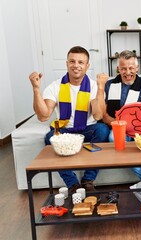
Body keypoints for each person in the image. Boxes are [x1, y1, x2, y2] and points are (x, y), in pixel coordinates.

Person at [29, 46, 110, 194]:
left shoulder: (93, 86)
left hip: (89, 129)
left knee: (103, 130)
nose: (76, 65)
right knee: (50, 138)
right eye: (72, 61)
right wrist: (36, 89)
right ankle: (73, 184)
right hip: (66, 131)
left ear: (87, 66)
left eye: (80, 62)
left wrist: (100, 88)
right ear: (67, 63)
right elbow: (43, 116)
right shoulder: (55, 86)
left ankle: (88, 180)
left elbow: (98, 116)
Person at [103, 50, 141, 203]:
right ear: (118, 69)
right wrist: (119, 125)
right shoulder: (110, 85)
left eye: (131, 68)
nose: (128, 72)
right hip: (120, 127)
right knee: (112, 136)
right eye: (123, 68)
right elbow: (104, 115)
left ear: (137, 68)